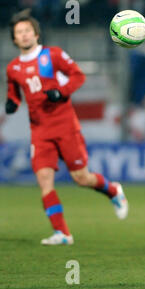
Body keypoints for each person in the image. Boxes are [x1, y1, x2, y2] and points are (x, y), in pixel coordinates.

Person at [4, 10, 129, 245]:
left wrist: (61, 92)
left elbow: (78, 76)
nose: (24, 35)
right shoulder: (13, 69)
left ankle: (112, 190)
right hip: (39, 132)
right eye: (19, 32)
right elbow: (14, 94)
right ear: (14, 39)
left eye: (27, 31)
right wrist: (12, 103)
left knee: (81, 178)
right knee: (44, 179)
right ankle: (62, 233)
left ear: (36, 34)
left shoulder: (53, 55)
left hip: (65, 126)